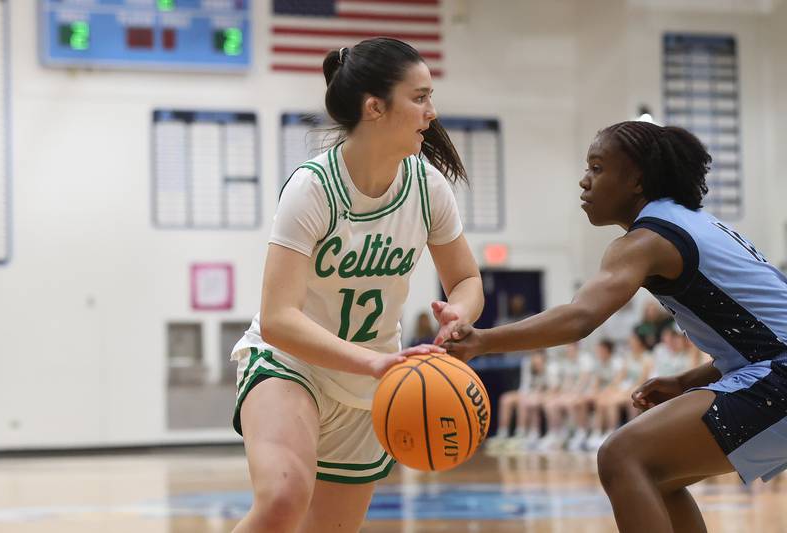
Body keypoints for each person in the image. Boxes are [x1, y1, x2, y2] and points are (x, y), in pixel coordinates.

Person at [445, 120, 787, 532]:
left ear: (636, 179)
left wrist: (481, 341)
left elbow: (580, 317)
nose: (584, 181)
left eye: (597, 167)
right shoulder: (695, 224)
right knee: (657, 473)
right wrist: (686, 381)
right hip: (771, 369)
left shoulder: (647, 240)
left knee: (622, 455)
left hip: (778, 376)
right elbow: (764, 336)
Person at [230, 38, 484, 533]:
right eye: (420, 97)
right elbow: (280, 319)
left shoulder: (428, 187)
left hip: (373, 382)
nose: (432, 112)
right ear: (375, 107)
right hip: (292, 362)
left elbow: (467, 279)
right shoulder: (313, 189)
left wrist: (461, 312)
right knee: (283, 499)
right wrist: (372, 362)